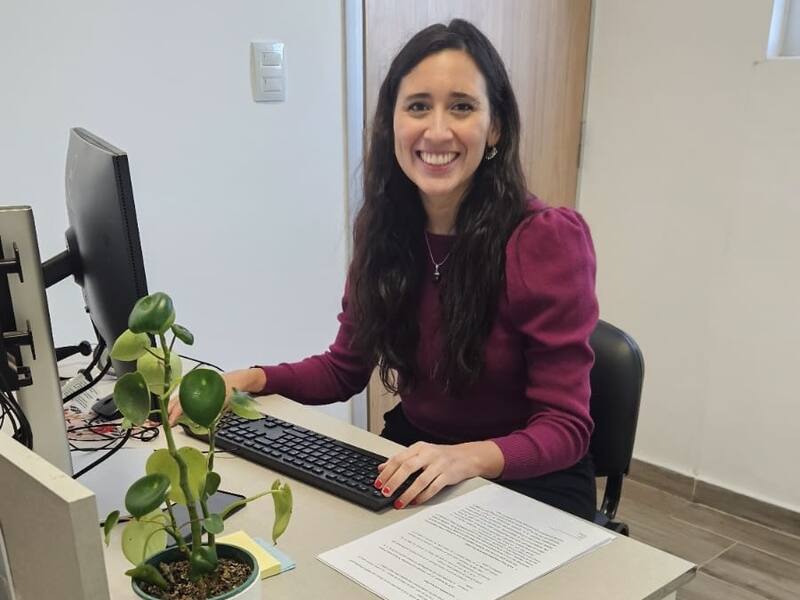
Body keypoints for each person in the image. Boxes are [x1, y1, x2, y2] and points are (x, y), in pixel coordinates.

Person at [169, 19, 599, 520]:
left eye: (462, 106)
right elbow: (343, 369)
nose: (437, 130)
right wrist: (250, 378)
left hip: (528, 482)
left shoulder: (546, 238)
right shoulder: (383, 228)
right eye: (418, 106)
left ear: (496, 126)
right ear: (392, 123)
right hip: (417, 460)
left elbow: (566, 427)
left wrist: (467, 459)